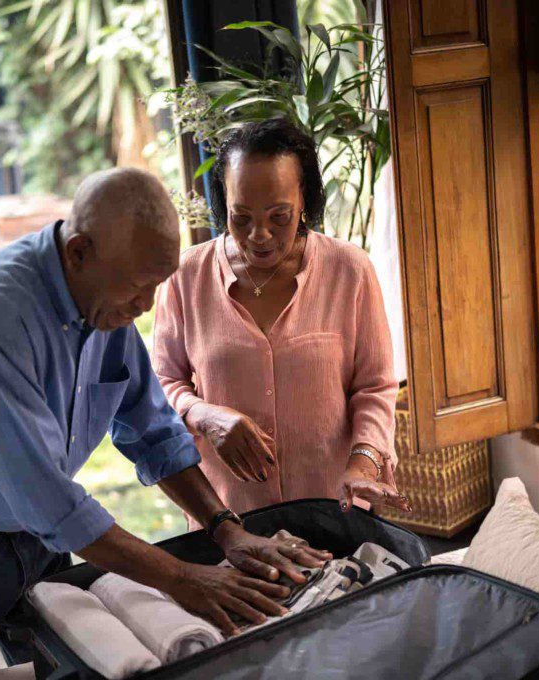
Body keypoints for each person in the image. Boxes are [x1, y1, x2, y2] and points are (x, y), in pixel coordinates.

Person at [0, 167, 331, 679]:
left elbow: (153, 432)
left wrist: (226, 531)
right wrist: (181, 578)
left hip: (37, 539)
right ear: (79, 252)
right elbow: (49, 500)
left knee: (68, 665)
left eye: (156, 287)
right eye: (138, 288)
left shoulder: (106, 303)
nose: (145, 306)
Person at [152, 120, 411, 529]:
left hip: (333, 512)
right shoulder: (187, 276)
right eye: (241, 217)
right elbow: (162, 384)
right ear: (224, 204)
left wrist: (364, 462)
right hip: (228, 520)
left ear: (304, 198)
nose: (259, 235)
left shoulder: (349, 270)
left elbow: (375, 386)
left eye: (279, 217)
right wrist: (204, 415)